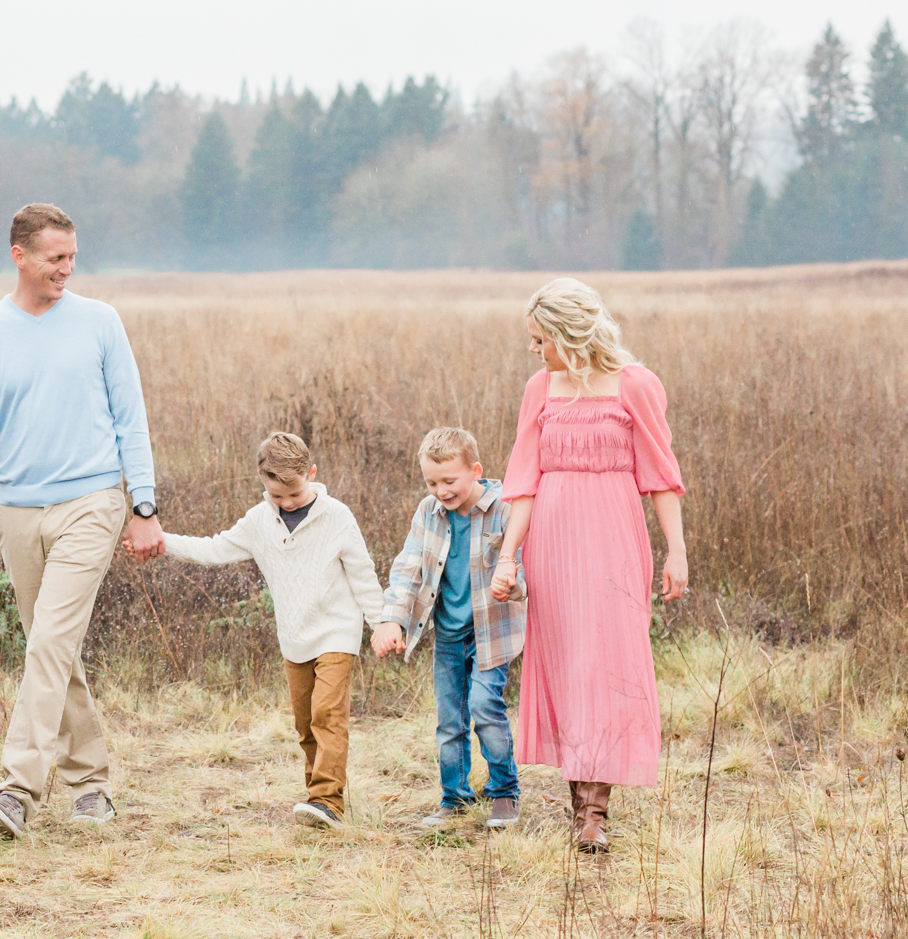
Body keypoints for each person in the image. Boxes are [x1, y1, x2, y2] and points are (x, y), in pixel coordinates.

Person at [0, 202, 163, 838]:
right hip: (18, 511)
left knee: (50, 643)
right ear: (19, 255)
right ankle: (92, 783)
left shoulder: (100, 323)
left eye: (73, 257)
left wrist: (143, 507)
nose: (67, 269)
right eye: (56, 258)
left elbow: (130, 418)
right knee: (52, 649)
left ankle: (17, 789)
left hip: (93, 503)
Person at [488, 277, 689, 854]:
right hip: (552, 537)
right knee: (569, 661)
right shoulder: (539, 389)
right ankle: (584, 813)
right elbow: (523, 480)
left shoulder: (637, 385)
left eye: (539, 339)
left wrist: (676, 550)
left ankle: (597, 810)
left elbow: (661, 476)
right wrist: (508, 558)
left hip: (615, 536)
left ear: (567, 333)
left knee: (608, 661)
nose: (533, 350)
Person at [163, 431, 395, 828]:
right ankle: (316, 799)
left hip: (338, 631)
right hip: (294, 638)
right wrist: (161, 540)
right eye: (277, 496)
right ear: (263, 484)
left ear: (312, 473)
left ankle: (328, 800)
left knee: (327, 714)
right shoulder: (258, 522)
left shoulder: (336, 516)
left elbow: (362, 573)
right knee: (305, 724)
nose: (287, 502)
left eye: (295, 494)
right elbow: (212, 549)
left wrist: (382, 622)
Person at [377, 427, 525, 830]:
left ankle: (504, 792)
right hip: (448, 632)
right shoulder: (429, 512)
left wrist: (512, 583)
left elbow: (524, 567)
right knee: (448, 718)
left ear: (475, 470)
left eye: (449, 481)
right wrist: (392, 618)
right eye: (431, 482)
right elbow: (408, 567)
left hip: (492, 630)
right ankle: (454, 797)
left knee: (484, 707)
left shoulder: (505, 510)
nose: (441, 490)